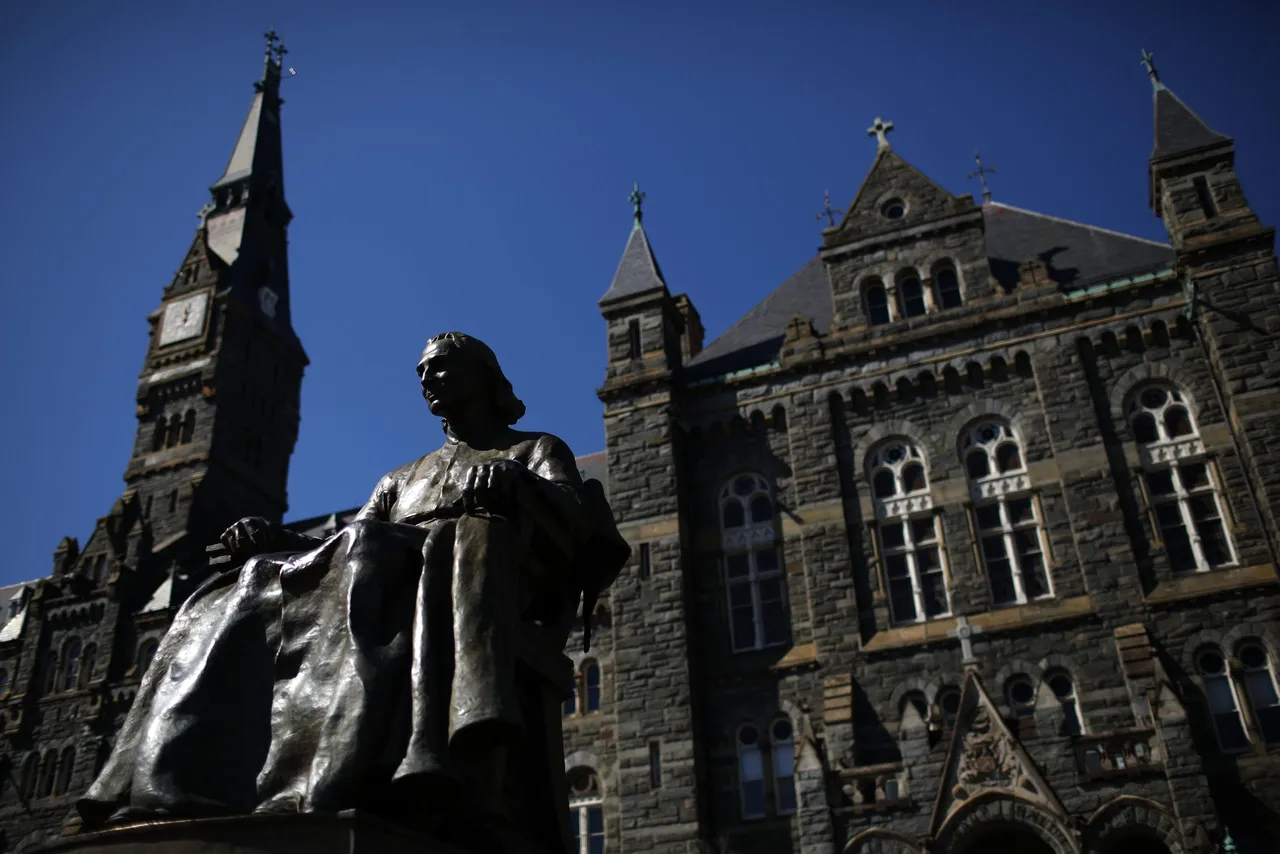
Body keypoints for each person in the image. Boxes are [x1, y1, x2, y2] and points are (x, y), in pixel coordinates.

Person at [77, 332, 628, 833]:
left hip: (467, 581)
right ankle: (166, 782)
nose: (427, 380)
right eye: (421, 373)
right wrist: (273, 542)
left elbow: (576, 518)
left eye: (440, 368)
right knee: (232, 588)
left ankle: (321, 781)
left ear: (483, 377)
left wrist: (517, 485)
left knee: (368, 548)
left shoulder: (533, 449)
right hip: (386, 578)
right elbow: (336, 549)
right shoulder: (400, 478)